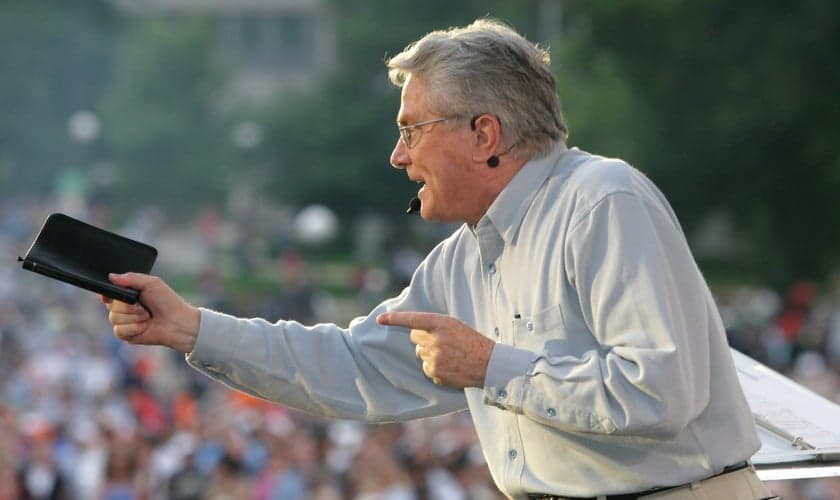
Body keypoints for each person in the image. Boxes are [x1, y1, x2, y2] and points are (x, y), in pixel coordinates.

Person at [102, 18, 775, 499]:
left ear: (485, 134)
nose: (398, 157)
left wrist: (490, 366)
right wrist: (192, 328)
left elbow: (660, 391)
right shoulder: (460, 260)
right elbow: (351, 363)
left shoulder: (602, 200)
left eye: (410, 130)